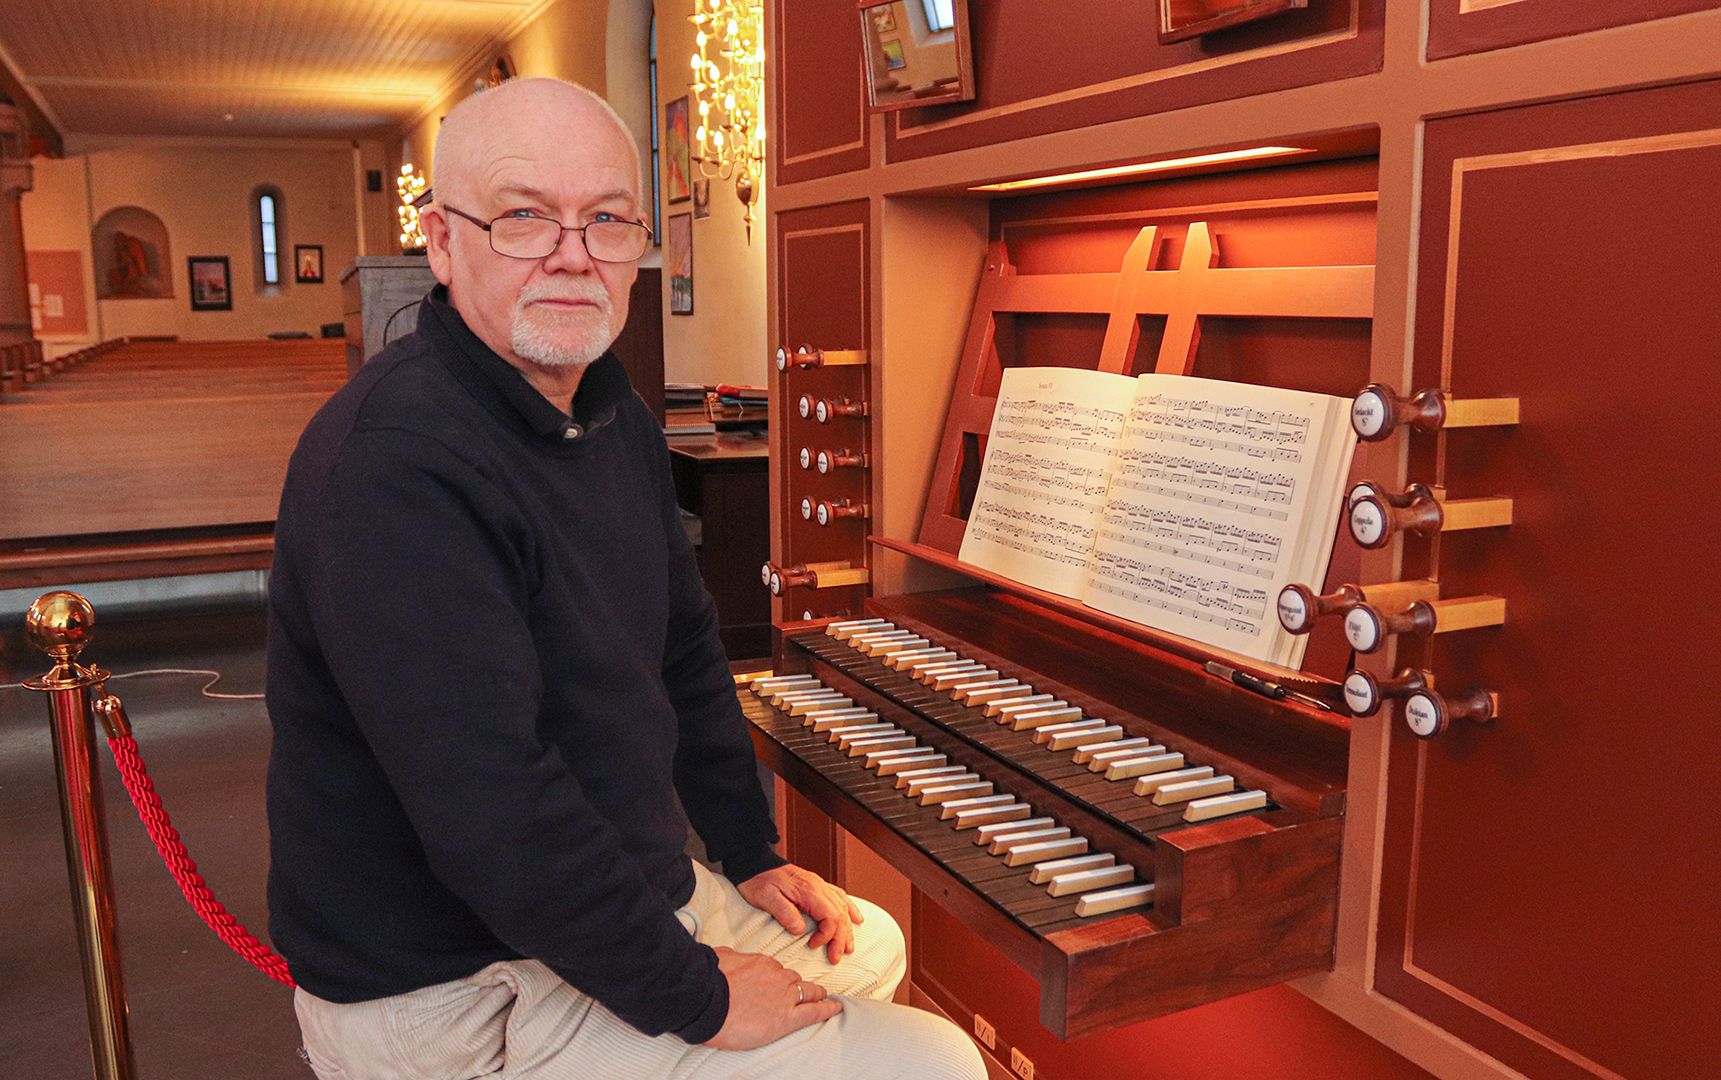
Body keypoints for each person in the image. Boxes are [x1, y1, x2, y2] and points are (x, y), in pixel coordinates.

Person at [264, 77, 985, 1080]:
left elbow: (683, 647)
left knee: (862, 943)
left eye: (605, 220)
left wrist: (749, 851)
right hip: (455, 981)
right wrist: (697, 995)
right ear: (439, 240)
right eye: (524, 217)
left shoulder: (611, 415)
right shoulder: (392, 464)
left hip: (586, 899)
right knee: (934, 1063)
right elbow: (490, 807)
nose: (572, 253)